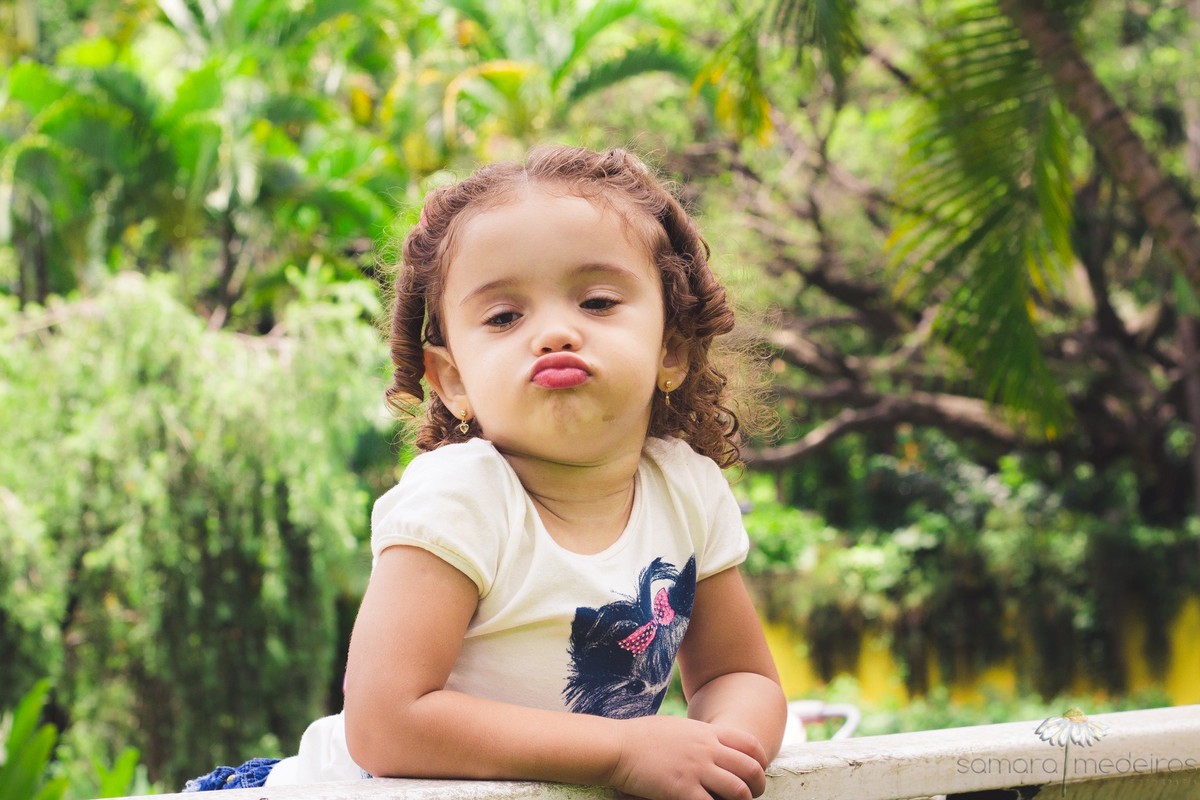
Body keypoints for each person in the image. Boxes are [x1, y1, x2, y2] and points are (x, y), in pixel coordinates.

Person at [186, 145, 787, 800]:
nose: (555, 333)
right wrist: (620, 752)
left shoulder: (687, 488)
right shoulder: (461, 499)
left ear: (671, 349)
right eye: (504, 316)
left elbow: (739, 676)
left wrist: (724, 754)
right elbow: (386, 723)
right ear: (452, 380)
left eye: (597, 301)